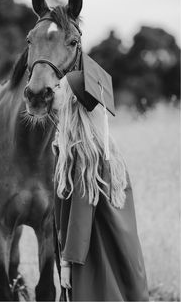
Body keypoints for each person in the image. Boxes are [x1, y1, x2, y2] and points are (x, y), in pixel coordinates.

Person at [52, 64, 149, 301]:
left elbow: (80, 214)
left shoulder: (83, 152)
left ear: (72, 101)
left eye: (59, 87)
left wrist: (68, 262)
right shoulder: (104, 147)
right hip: (118, 248)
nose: (52, 90)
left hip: (91, 253)